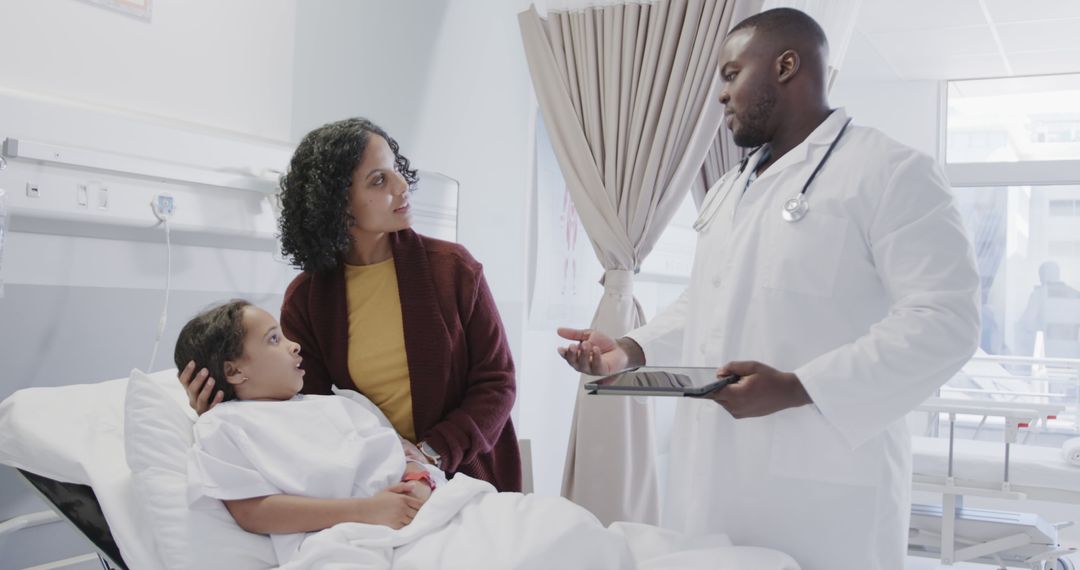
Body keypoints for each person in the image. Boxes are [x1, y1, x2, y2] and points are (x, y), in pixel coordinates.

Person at [556, 8, 980, 570]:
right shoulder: (730, 189)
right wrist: (629, 349)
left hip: (823, 486)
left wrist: (800, 386)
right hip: (710, 472)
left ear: (785, 66)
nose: (720, 95)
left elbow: (944, 322)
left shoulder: (890, 172)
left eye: (732, 74)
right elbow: (706, 303)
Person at [180, 117, 521, 492]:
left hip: (467, 475)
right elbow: (302, 405)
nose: (402, 185)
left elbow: (497, 383)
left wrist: (430, 452)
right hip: (373, 484)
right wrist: (224, 409)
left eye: (396, 171)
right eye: (379, 180)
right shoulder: (308, 298)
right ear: (337, 204)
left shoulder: (453, 269)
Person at [175, 300, 441, 564]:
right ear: (234, 371)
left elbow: (399, 458)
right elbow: (252, 512)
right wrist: (366, 511)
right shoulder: (224, 424)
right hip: (342, 541)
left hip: (420, 513)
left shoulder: (338, 404)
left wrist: (418, 484)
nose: (294, 345)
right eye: (274, 339)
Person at [1015, 261, 1080, 358]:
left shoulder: (1039, 294)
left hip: (1048, 355)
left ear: (1042, 276)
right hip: (1073, 356)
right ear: (1058, 274)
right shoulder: (1076, 295)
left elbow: (1027, 322)